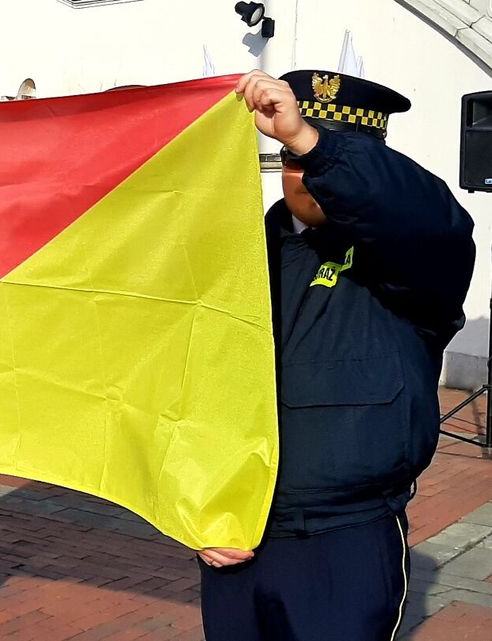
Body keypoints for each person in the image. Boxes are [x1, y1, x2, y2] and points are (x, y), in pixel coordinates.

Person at [196, 70, 476, 641]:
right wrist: (196, 506)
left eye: (327, 158)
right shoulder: (234, 255)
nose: (315, 178)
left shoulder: (412, 260)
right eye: (295, 161)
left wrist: (312, 143)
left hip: (346, 535)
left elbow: (425, 215)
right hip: (237, 533)